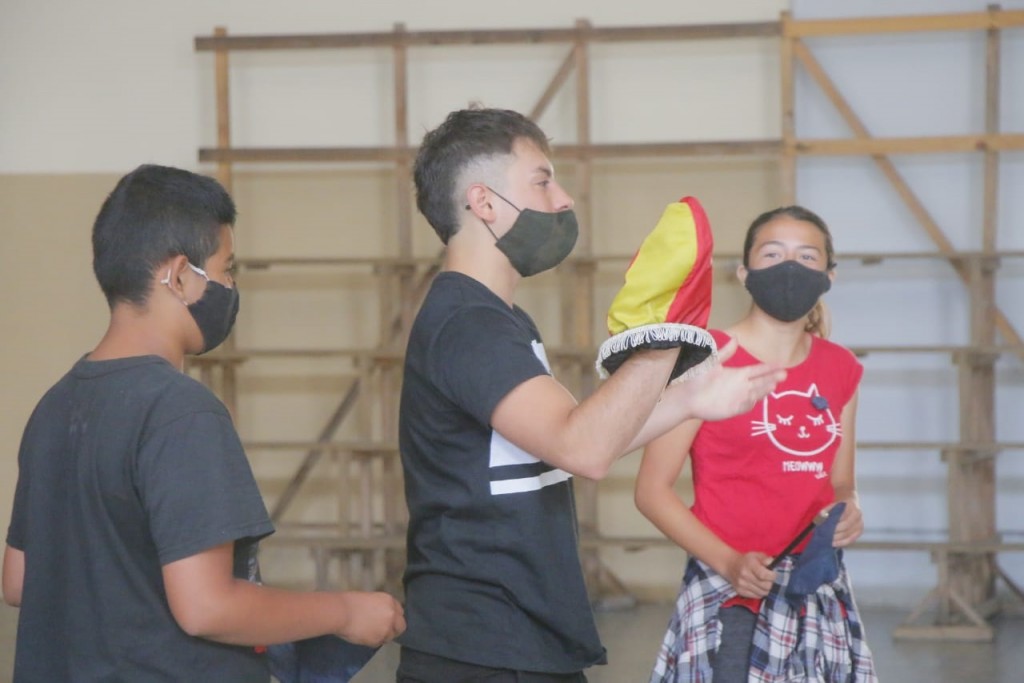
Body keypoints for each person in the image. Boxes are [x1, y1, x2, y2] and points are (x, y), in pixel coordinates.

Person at [396, 106, 788, 682]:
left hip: (519, 638)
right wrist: (660, 338)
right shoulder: (469, 323)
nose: (563, 200)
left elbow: (564, 445)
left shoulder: (501, 320)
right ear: (483, 202)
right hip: (481, 646)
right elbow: (585, 450)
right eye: (542, 181)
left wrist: (687, 401)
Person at [1, 164, 405, 682]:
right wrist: (346, 611)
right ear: (178, 276)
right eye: (225, 268)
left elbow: (19, 581)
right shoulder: (181, 411)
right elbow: (207, 607)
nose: (230, 286)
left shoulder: (54, 406)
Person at [635, 206, 878, 682]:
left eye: (806, 256)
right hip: (731, 590)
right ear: (744, 272)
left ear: (829, 276)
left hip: (815, 588)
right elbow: (651, 491)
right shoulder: (706, 358)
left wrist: (849, 506)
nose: (789, 267)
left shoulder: (841, 367)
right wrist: (728, 562)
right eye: (772, 253)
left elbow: (840, 481)